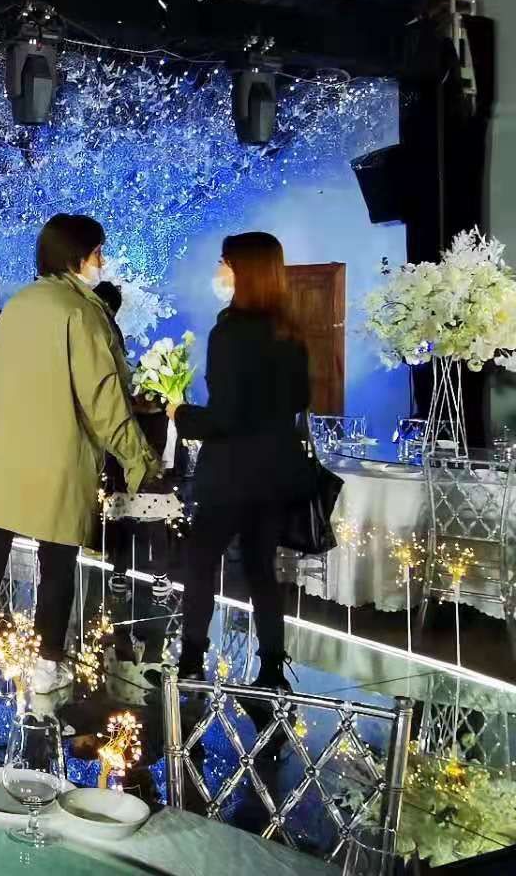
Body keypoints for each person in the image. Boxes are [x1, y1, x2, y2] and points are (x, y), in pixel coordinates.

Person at [0, 214, 162, 693]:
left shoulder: (18, 305)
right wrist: (140, 460)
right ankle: (47, 664)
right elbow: (103, 398)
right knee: (56, 560)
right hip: (57, 452)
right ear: (78, 255)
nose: (102, 261)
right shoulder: (81, 312)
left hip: (3, 452)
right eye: (98, 252)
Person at [168, 232, 310, 690]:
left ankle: (192, 658)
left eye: (224, 262)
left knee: (201, 560)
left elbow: (224, 416)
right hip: (275, 472)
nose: (219, 271)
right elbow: (300, 398)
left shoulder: (229, 332)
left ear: (243, 271)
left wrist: (180, 413)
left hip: (231, 473)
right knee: (260, 567)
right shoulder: (289, 331)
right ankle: (271, 666)